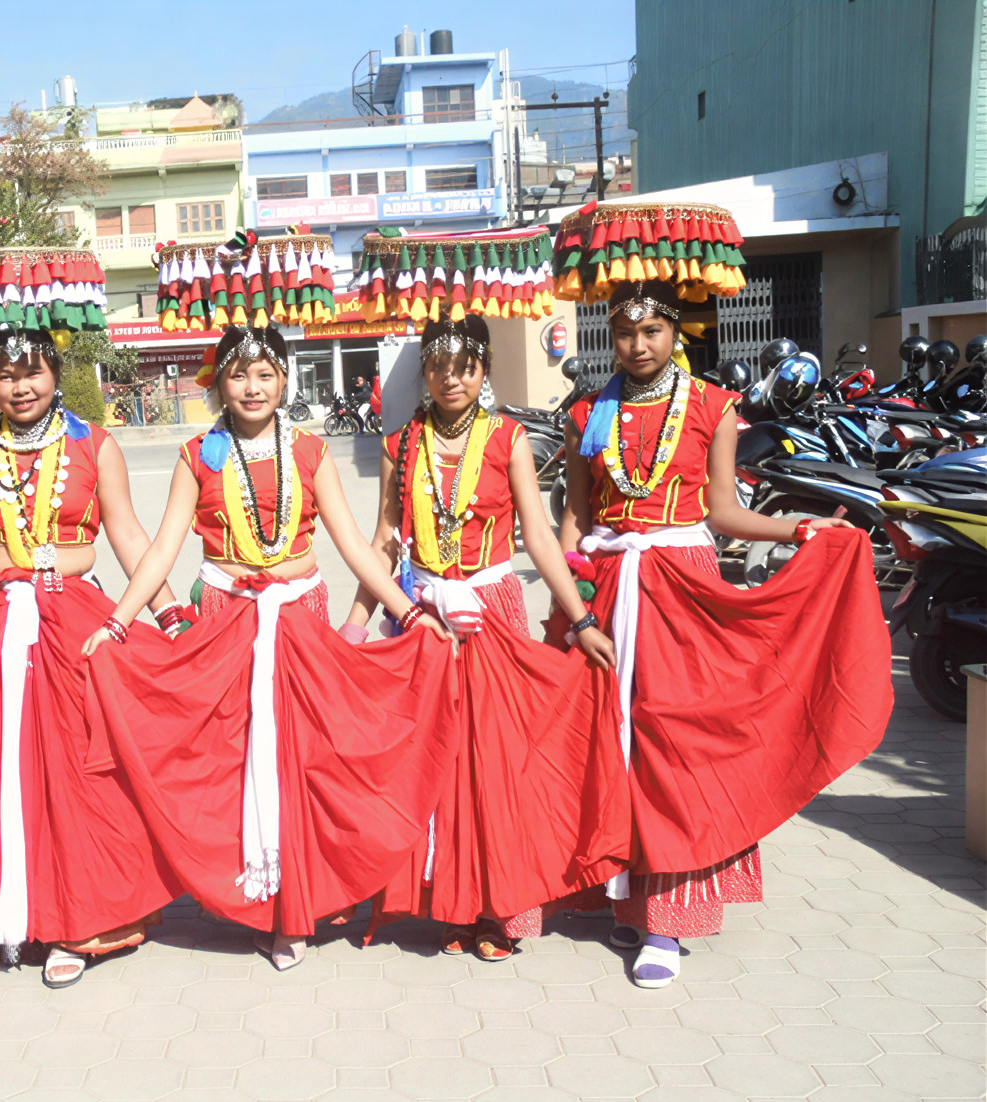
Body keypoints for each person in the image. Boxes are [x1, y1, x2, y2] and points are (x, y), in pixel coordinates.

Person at [84, 324, 456, 971]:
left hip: (299, 626)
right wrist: (117, 623)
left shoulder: (311, 452)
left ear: (284, 380)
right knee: (227, 764)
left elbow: (351, 546)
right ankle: (247, 898)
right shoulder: (197, 453)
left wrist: (408, 611)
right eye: (238, 374)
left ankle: (295, 907)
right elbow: (164, 546)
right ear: (218, 384)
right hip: (226, 624)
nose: (252, 387)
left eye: (264, 374)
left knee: (301, 765)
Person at [555, 279, 892, 988]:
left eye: (652, 332)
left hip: (683, 589)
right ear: (607, 337)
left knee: (677, 744)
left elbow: (723, 513)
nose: (638, 345)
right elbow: (574, 524)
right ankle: (619, 892)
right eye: (623, 333)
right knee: (604, 743)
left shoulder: (713, 405)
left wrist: (803, 527)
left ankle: (669, 922)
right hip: (607, 589)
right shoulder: (585, 411)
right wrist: (570, 606)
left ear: (677, 332)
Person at [341, 314, 629, 961]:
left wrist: (579, 620)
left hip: (493, 611)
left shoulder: (508, 438)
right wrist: (353, 626)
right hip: (424, 617)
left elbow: (536, 533)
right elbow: (383, 544)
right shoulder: (400, 444)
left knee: (496, 765)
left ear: (484, 370)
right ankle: (453, 904)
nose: (452, 378)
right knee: (436, 765)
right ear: (425, 371)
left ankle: (499, 910)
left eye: (466, 365)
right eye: (439, 365)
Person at [0, 326, 185, 989]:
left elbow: (126, 533)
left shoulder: (93, 444)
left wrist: (172, 615)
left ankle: (80, 922)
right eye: (6, 377)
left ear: (55, 373)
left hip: (72, 624)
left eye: (33, 372)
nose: (21, 387)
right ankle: (9, 912)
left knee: (75, 773)